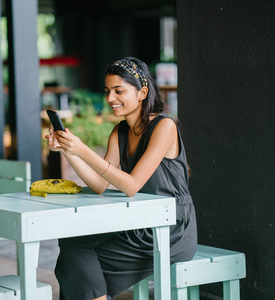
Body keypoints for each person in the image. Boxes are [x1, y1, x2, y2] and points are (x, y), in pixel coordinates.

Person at [45, 57, 197, 300]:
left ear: (142, 93)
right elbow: (99, 184)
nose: (110, 98)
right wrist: (68, 149)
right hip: (136, 221)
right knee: (74, 245)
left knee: (76, 258)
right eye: (107, 91)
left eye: (119, 91)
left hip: (169, 228)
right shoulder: (120, 131)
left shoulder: (164, 126)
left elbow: (131, 185)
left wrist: (83, 149)